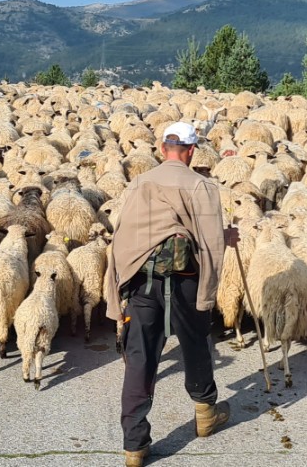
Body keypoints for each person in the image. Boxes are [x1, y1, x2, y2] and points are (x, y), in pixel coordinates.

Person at [104, 122, 239, 467]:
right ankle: (205, 414)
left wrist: (120, 282)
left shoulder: (139, 183)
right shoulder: (201, 185)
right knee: (195, 344)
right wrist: (208, 293)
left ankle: (134, 446)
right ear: (192, 152)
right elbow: (208, 242)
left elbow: (124, 232)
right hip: (185, 279)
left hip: (142, 281)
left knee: (140, 357)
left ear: (162, 149)